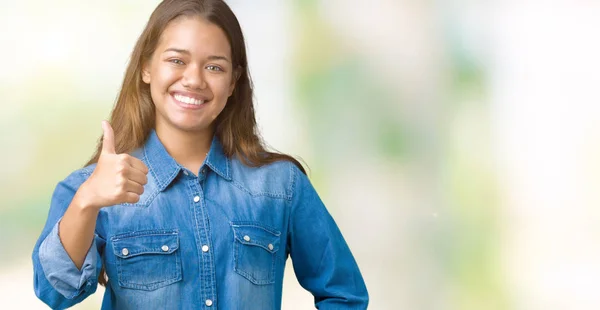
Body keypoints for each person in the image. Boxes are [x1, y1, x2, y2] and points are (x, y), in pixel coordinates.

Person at [31, 0, 368, 309]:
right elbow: (54, 292)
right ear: (146, 67)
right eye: (177, 60)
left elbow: (344, 294)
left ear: (234, 81)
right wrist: (86, 200)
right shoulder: (95, 189)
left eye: (215, 67)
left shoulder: (280, 185)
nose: (193, 80)